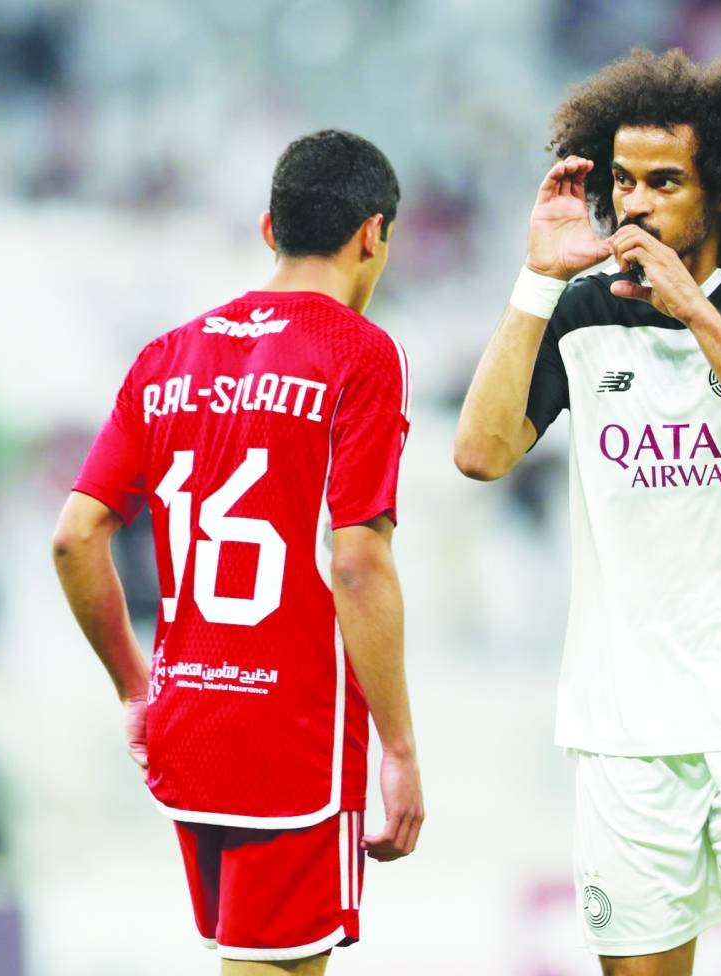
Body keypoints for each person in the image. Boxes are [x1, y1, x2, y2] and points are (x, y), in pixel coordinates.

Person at [455, 49, 721, 976]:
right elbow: (480, 452)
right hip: (628, 730)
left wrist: (697, 316)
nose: (635, 203)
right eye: (624, 180)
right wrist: (536, 279)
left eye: (665, 182)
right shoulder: (580, 313)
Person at [53, 129, 424, 975]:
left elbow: (75, 536)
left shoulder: (167, 356)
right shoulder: (361, 353)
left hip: (190, 721)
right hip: (291, 737)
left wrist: (135, 688)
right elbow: (357, 560)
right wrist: (399, 748)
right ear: (373, 235)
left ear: (268, 230)